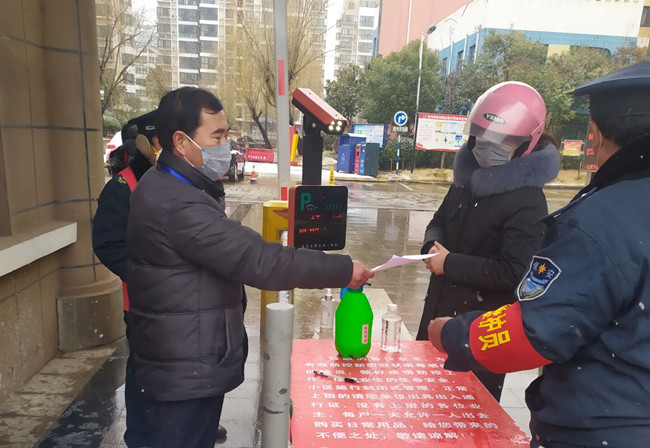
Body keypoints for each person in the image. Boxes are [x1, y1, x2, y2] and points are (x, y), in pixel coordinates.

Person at [126, 87, 374, 448]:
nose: (225, 146)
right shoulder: (178, 204)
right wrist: (343, 269)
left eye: (226, 135)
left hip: (175, 355)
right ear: (180, 142)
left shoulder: (166, 184)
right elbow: (260, 260)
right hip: (183, 368)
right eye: (216, 137)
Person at [427, 60, 650, 447]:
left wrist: (452, 333)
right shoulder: (465, 182)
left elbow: (536, 328)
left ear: (595, 135)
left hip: (601, 426)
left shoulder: (593, 220)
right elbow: (439, 221)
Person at [415, 81, 560, 401]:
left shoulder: (528, 200)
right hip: (436, 315)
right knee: (423, 403)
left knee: (468, 414)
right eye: (482, 135)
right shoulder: (466, 180)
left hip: (480, 334)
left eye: (503, 140)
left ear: (526, 144)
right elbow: (438, 222)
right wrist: (431, 247)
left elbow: (515, 271)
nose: (488, 145)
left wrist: (449, 263)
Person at [93, 111, 228, 446]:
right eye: (159, 142)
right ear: (147, 143)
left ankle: (196, 422)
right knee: (146, 371)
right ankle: (141, 435)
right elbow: (108, 244)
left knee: (192, 367)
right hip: (147, 303)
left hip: (193, 303)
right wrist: (150, 274)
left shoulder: (193, 180)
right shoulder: (124, 187)